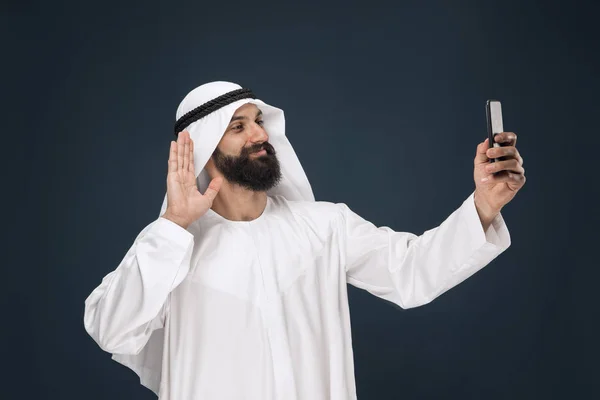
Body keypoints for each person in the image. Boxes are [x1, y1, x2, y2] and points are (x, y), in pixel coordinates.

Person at [83, 81, 526, 399]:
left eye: (258, 121)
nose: (260, 134)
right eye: (238, 127)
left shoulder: (324, 226)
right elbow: (111, 329)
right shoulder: (171, 247)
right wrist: (173, 226)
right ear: (201, 149)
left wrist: (485, 203)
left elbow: (413, 272)